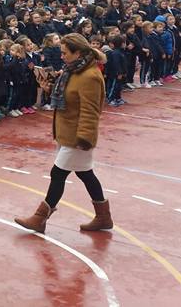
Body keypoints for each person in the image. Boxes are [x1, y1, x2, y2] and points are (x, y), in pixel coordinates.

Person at [15, 33, 112, 234]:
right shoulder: (73, 70)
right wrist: (48, 88)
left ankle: (40, 218)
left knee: (57, 173)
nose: (62, 56)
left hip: (77, 136)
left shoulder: (90, 76)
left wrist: (84, 138)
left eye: (65, 52)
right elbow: (68, 97)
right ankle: (103, 217)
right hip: (66, 132)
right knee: (86, 174)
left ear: (78, 53)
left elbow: (91, 110)